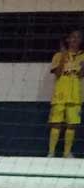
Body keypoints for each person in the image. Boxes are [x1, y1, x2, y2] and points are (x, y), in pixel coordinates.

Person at [49, 30, 84, 158]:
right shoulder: (58, 55)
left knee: (72, 124)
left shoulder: (82, 56)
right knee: (56, 123)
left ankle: (67, 153)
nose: (75, 39)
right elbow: (57, 73)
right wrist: (64, 56)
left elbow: (81, 75)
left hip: (75, 95)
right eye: (73, 37)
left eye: (78, 37)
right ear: (68, 39)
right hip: (60, 94)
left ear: (81, 41)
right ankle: (51, 152)